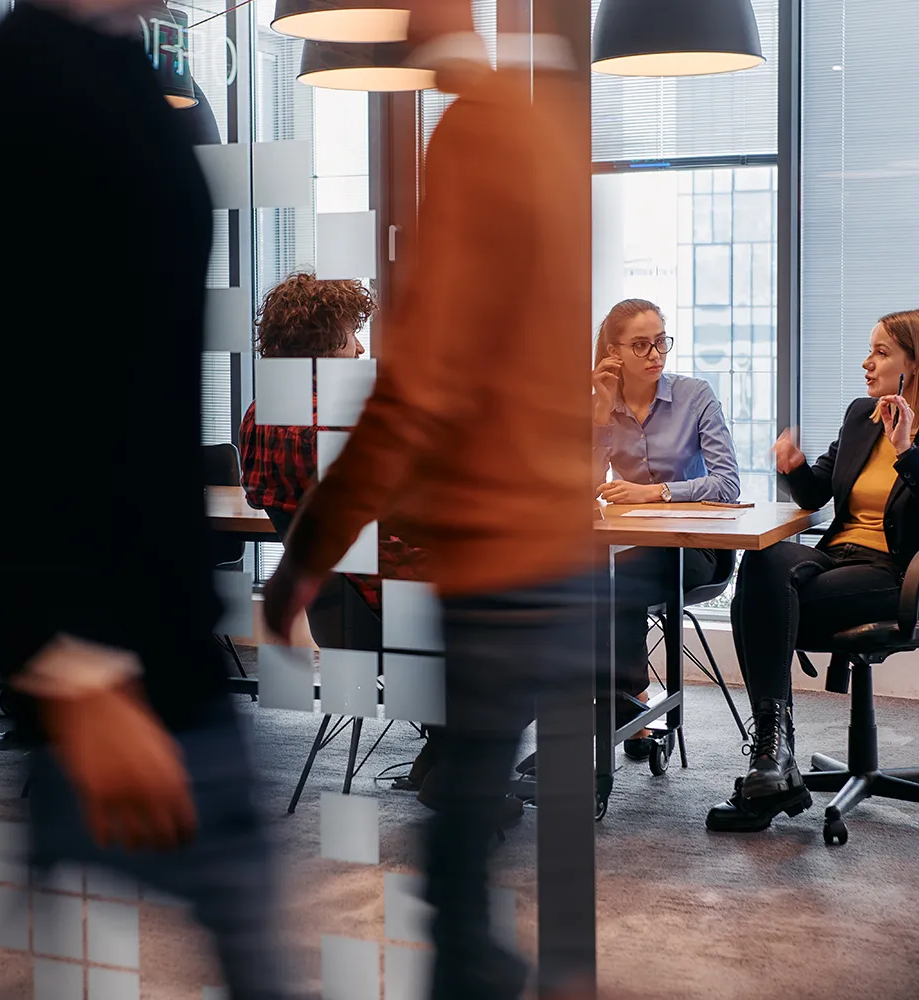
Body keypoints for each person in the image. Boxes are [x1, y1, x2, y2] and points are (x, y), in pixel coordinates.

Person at [0, 2, 284, 996]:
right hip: (103, 637)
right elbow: (5, 375)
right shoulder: (32, 74)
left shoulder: (134, 67)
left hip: (161, 612)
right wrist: (74, 654)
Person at [263, 4, 597, 999]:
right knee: (485, 821)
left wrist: (304, 556)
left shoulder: (473, 137)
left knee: (458, 852)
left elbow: (425, 388)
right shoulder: (544, 133)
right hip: (551, 543)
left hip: (491, 554)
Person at [707, 309, 919, 833]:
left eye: (881, 353)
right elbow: (816, 491)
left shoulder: (905, 435)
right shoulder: (861, 415)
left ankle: (771, 764)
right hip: (837, 555)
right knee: (762, 562)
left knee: (759, 605)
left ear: (913, 367)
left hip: (894, 570)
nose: (866, 363)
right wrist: (794, 465)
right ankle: (775, 760)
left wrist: (907, 453)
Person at [239, 272, 444, 798]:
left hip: (339, 614)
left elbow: (262, 497)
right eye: (353, 332)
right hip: (394, 608)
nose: (360, 346)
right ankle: (462, 762)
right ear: (325, 341)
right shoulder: (338, 422)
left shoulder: (257, 415)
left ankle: (445, 752)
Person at [592, 299, 741, 758]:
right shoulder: (602, 405)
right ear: (613, 353)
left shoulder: (695, 395)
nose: (656, 353)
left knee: (614, 583)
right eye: (641, 345)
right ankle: (619, 715)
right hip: (627, 547)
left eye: (661, 341)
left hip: (695, 550)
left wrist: (654, 492)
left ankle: (625, 712)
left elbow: (727, 483)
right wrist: (598, 415)